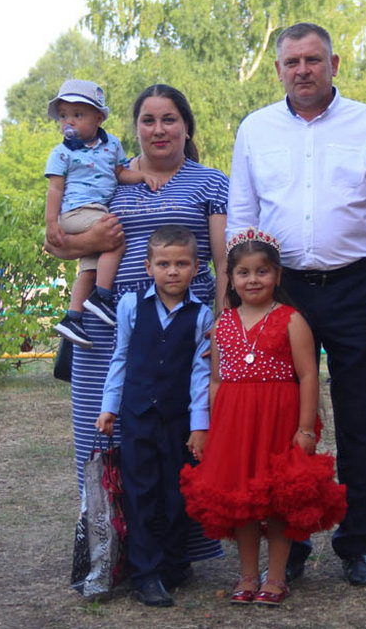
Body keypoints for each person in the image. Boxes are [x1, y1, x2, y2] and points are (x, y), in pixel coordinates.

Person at [227, 21, 366, 586]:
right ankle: (292, 543)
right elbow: (242, 217)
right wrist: (245, 299)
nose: (302, 70)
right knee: (283, 421)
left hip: (356, 289)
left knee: (358, 422)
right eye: (292, 62)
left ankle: (356, 545)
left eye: (313, 59)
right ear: (279, 69)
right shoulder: (255, 129)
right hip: (284, 291)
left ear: (334, 63)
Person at [46, 83, 227, 584]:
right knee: (101, 435)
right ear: (134, 129)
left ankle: (175, 555)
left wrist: (223, 320)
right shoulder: (109, 175)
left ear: (186, 126)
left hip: (182, 330)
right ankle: (109, 551)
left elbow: (223, 259)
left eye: (169, 119)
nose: (159, 129)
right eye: (148, 120)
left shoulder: (211, 182)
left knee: (173, 437)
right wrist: (91, 237)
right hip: (105, 325)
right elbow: (57, 240)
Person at [180, 228, 347, 607]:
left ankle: (276, 577)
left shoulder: (291, 320)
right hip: (235, 424)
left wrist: (306, 428)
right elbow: (216, 380)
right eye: (243, 272)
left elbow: (308, 376)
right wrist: (211, 428)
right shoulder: (222, 324)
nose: (252, 280)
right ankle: (247, 575)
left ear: (277, 275)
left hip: (279, 421)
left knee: (276, 500)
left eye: (262, 271)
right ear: (230, 278)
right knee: (241, 500)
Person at [95, 225, 213, 607]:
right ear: (149, 267)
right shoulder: (131, 305)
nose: (173, 271)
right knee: (140, 493)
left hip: (178, 421)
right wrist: (109, 407)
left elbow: (201, 374)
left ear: (196, 267)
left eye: (181, 264)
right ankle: (144, 573)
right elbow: (120, 357)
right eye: (164, 264)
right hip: (138, 417)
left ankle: (174, 565)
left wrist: (200, 425)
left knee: (177, 494)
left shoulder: (202, 315)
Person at [44, 78, 158, 349]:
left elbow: (121, 173)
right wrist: (51, 223)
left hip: (94, 211)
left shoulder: (112, 145)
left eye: (77, 115)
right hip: (77, 212)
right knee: (114, 236)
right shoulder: (62, 153)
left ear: (98, 118)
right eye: (63, 116)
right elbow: (55, 190)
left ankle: (73, 317)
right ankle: (102, 296)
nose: (68, 122)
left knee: (90, 265)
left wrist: (143, 176)